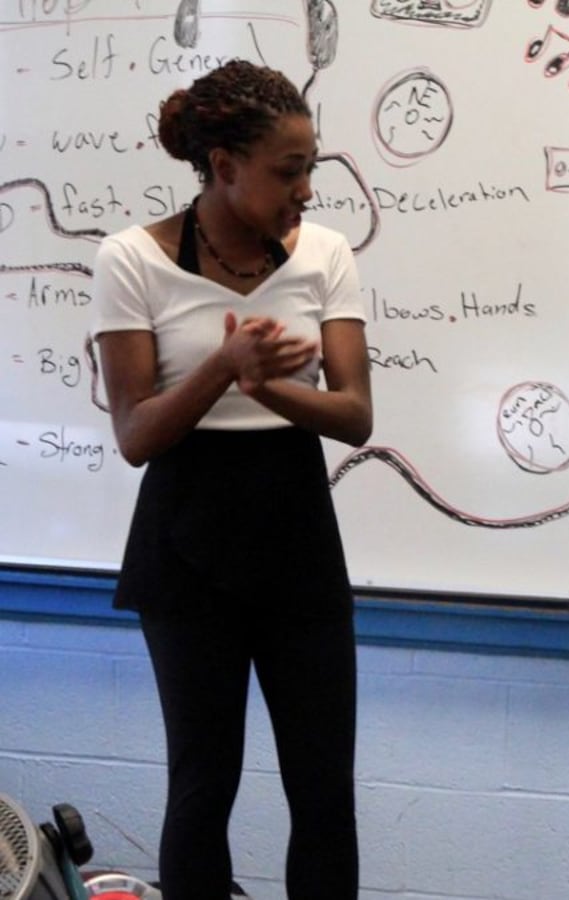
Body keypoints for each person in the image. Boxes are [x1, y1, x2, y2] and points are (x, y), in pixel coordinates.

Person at [90, 60, 371, 900]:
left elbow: (355, 415)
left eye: (311, 166)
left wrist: (267, 386)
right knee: (203, 788)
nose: (307, 189)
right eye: (289, 171)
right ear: (222, 167)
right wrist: (225, 363)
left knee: (324, 794)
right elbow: (137, 434)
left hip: (297, 539)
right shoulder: (131, 259)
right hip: (185, 545)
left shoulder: (324, 253)